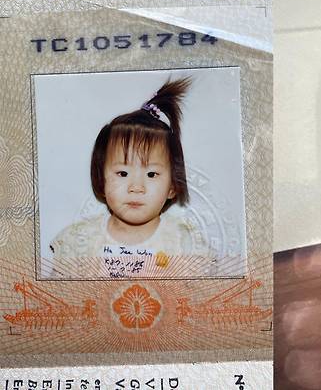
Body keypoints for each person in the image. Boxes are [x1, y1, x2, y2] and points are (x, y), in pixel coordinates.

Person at [49, 77, 212, 275]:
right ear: (102, 180)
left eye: (152, 174)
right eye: (122, 173)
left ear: (172, 186)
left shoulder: (185, 244)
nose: (136, 187)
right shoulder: (79, 242)